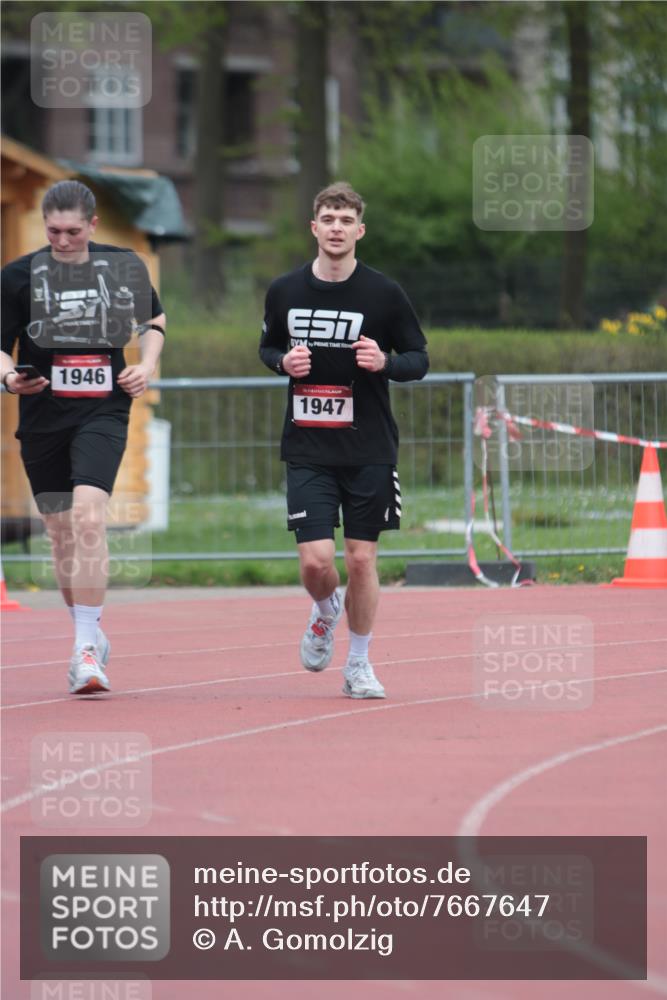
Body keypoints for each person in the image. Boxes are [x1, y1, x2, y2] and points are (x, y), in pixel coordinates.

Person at [259, 181, 429, 699]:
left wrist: (387, 363)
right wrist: (283, 363)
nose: (336, 228)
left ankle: (359, 664)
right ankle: (325, 608)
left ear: (360, 230)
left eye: (345, 220)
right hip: (309, 446)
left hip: (369, 447)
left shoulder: (384, 293)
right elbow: (267, 347)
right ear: (314, 228)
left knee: (360, 560)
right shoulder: (285, 291)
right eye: (327, 219)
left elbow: (419, 359)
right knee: (316, 562)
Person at [1, 180, 165, 695]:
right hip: (43, 415)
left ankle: (84, 650)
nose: (64, 241)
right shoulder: (18, 276)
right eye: (54, 232)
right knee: (59, 532)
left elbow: (154, 321)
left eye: (73, 231)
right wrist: (9, 377)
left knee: (90, 516)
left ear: (93, 226)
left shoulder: (122, 266)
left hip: (104, 409)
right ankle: (88, 629)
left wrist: (147, 367)